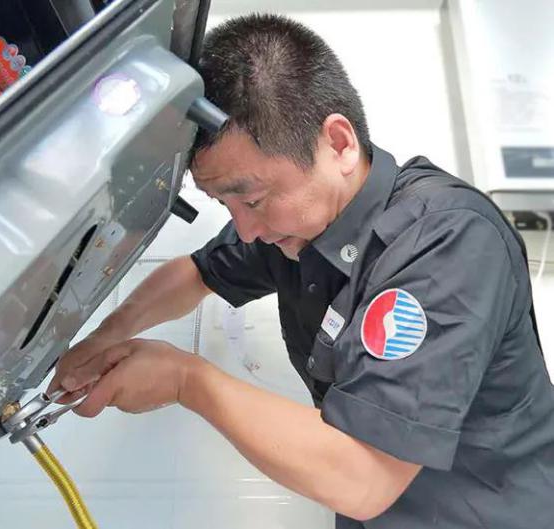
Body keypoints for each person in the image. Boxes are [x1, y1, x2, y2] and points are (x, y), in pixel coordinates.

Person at [49, 14, 554, 528]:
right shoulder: (296, 229)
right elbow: (198, 274)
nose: (245, 229)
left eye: (252, 199)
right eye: (225, 205)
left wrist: (185, 380)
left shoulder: (448, 242)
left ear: (338, 143)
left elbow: (364, 478)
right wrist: (105, 336)